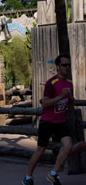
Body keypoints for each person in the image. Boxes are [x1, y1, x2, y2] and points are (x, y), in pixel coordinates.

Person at [22, 54, 73, 185]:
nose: (67, 67)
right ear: (57, 67)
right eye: (64, 65)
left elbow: (68, 99)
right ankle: (28, 177)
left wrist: (69, 99)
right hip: (48, 122)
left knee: (68, 146)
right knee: (40, 151)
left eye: (69, 65)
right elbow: (44, 103)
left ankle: (53, 174)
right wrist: (61, 96)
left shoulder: (69, 83)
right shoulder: (51, 83)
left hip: (61, 122)